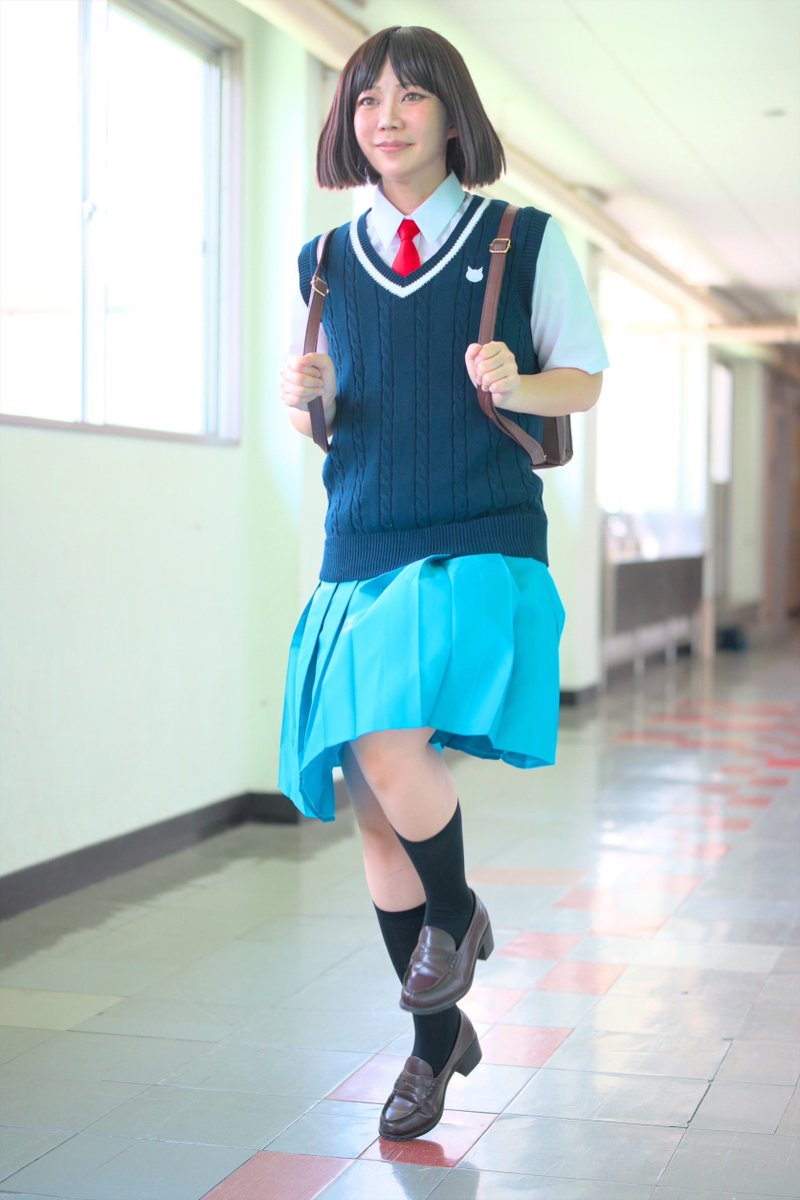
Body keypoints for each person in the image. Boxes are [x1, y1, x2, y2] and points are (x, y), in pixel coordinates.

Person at [278, 25, 608, 1141]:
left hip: (475, 538)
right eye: (367, 99)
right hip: (361, 542)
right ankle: (435, 1044)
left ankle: (456, 915)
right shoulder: (323, 262)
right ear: (347, 123)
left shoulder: (522, 238)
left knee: (383, 746)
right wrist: (308, 398)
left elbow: (582, 383)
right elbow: (329, 422)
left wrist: (520, 377)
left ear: (451, 113)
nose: (386, 116)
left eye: (411, 96)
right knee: (374, 811)